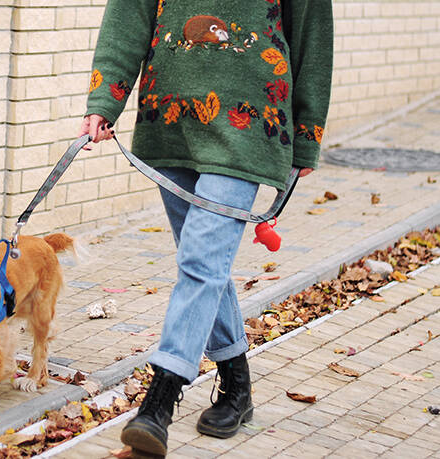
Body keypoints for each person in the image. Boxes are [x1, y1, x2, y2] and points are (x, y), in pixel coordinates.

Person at [79, 1, 333, 456]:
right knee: (205, 264)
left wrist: (307, 132)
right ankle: (237, 386)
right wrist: (105, 100)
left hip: (250, 127)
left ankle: (159, 402)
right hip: (169, 121)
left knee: (200, 261)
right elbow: (128, 15)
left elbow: (313, 34)